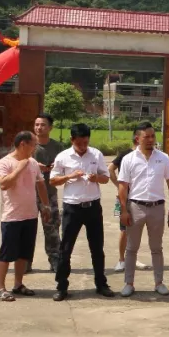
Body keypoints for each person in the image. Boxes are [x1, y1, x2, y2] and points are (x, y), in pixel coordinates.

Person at [51, 123, 115, 301]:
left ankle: (101, 284)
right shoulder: (63, 157)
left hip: (93, 206)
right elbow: (53, 181)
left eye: (85, 143)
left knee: (97, 248)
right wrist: (69, 176)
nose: (83, 146)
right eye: (79, 143)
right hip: (72, 207)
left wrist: (96, 178)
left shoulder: (96, 154)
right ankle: (61, 286)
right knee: (66, 248)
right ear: (72, 140)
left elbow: (105, 178)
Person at [116, 122, 169, 297]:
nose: (151, 140)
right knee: (131, 247)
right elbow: (122, 187)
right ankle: (129, 283)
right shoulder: (129, 159)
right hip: (135, 206)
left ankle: (159, 282)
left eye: (153, 136)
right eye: (147, 137)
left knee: (156, 247)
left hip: (157, 207)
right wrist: (124, 210)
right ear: (138, 139)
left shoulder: (163, 158)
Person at [0, 132, 51, 301]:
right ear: (23, 144)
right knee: (6, 253)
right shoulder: (5, 162)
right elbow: (4, 184)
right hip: (12, 216)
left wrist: (46, 205)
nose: (35, 148)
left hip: (30, 214)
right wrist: (19, 168)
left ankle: (18, 284)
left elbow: (40, 184)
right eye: (33, 145)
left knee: (24, 253)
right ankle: (0, 288)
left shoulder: (32, 163)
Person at [108, 130, 147, 273]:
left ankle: (133, 258)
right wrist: (119, 186)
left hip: (140, 198)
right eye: (145, 137)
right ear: (137, 139)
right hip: (125, 198)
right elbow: (110, 169)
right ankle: (121, 260)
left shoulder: (146, 156)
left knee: (136, 230)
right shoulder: (126, 154)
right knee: (124, 229)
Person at [32, 113, 64, 272]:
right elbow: (14, 160)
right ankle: (24, 261)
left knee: (52, 228)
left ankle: (55, 258)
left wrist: (54, 168)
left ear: (50, 128)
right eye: (37, 124)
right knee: (27, 228)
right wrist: (33, 164)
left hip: (49, 192)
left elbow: (66, 167)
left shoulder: (57, 147)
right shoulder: (27, 144)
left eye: (43, 125)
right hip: (28, 194)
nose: (39, 128)